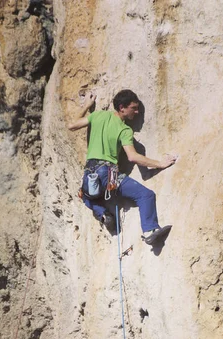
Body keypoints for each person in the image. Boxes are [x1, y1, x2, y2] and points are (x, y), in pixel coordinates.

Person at [68, 89, 176, 244]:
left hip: (89, 173)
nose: (137, 112)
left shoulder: (98, 115)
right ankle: (149, 230)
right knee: (146, 195)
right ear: (122, 108)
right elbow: (133, 157)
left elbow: (72, 125)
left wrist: (87, 105)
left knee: (85, 195)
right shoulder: (125, 130)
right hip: (108, 174)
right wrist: (160, 164)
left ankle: (103, 214)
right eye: (134, 108)